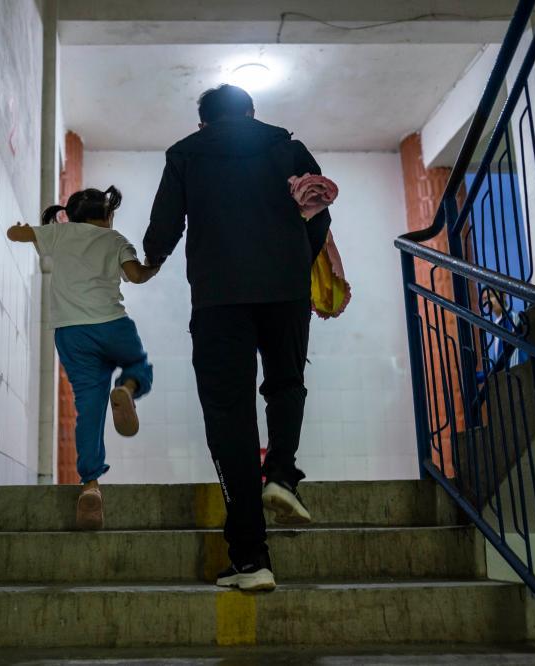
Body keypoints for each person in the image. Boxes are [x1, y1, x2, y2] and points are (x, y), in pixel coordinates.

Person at [143, 84, 332, 591]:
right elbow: (319, 213)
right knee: (286, 381)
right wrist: (297, 261)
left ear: (203, 122)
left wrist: (150, 258)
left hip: (219, 298)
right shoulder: (288, 148)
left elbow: (165, 225)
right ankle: (282, 474)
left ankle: (251, 559)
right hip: (285, 292)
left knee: (230, 417)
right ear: (251, 112)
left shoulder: (186, 153)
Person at [8, 187, 159, 529]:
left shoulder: (60, 233)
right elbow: (136, 275)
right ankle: (127, 388)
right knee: (138, 366)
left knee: (89, 408)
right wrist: (154, 266)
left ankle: (90, 485)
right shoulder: (116, 240)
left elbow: (14, 234)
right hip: (113, 326)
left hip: (72, 335)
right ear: (106, 216)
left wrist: (24, 230)